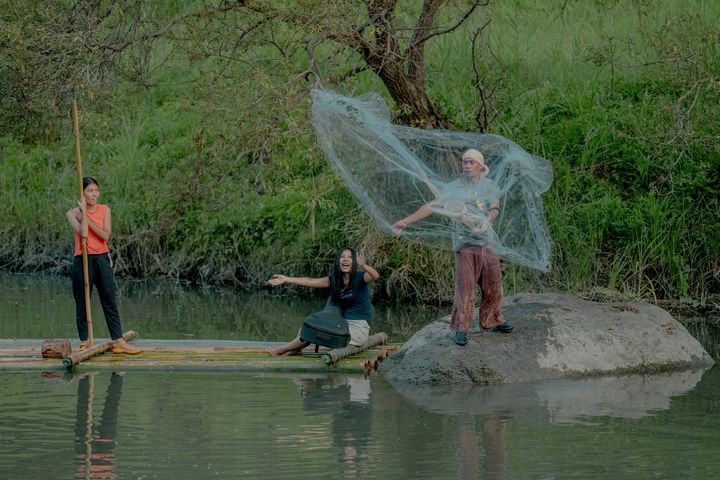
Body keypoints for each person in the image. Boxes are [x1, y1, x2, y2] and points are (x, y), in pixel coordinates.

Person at [391, 149, 512, 346]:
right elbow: (432, 206)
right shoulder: (453, 187)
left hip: (487, 241)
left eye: (471, 162)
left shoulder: (490, 185)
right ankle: (461, 328)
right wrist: (405, 221)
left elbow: (494, 206)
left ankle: (493, 320)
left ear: (481, 166)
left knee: (494, 283)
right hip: (464, 243)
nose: (466, 165)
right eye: (464, 162)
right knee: (465, 286)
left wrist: (489, 217)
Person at [65, 177, 142, 354]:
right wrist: (83, 212)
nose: (94, 194)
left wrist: (88, 218)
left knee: (109, 299)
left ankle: (118, 340)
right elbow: (83, 233)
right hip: (82, 259)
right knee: (82, 301)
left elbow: (105, 235)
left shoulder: (105, 210)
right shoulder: (72, 213)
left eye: (96, 190)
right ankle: (84, 341)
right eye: (90, 191)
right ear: (82, 193)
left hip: (101, 258)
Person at [266, 248, 380, 356]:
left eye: (350, 257)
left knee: (317, 331)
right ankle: (296, 349)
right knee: (309, 326)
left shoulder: (360, 278)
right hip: (342, 324)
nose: (345, 259)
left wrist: (363, 265)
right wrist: (286, 279)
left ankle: (282, 349)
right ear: (337, 261)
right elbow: (309, 280)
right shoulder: (334, 281)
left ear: (354, 262)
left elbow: (375, 276)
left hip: (358, 328)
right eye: (342, 256)